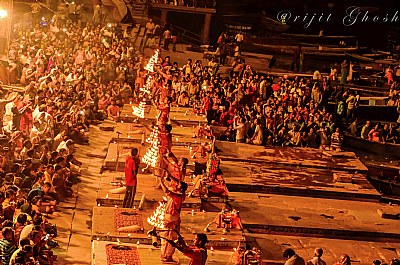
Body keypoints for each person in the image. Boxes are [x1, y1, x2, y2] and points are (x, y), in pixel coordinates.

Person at [159, 176, 187, 263]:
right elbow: (177, 182)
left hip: (172, 219)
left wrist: (160, 181)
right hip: (171, 218)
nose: (176, 184)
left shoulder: (178, 197)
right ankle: (165, 255)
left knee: (169, 238)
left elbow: (166, 191)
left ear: (180, 188)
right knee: (165, 237)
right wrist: (170, 177)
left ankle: (167, 256)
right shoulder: (180, 194)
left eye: (178, 185)